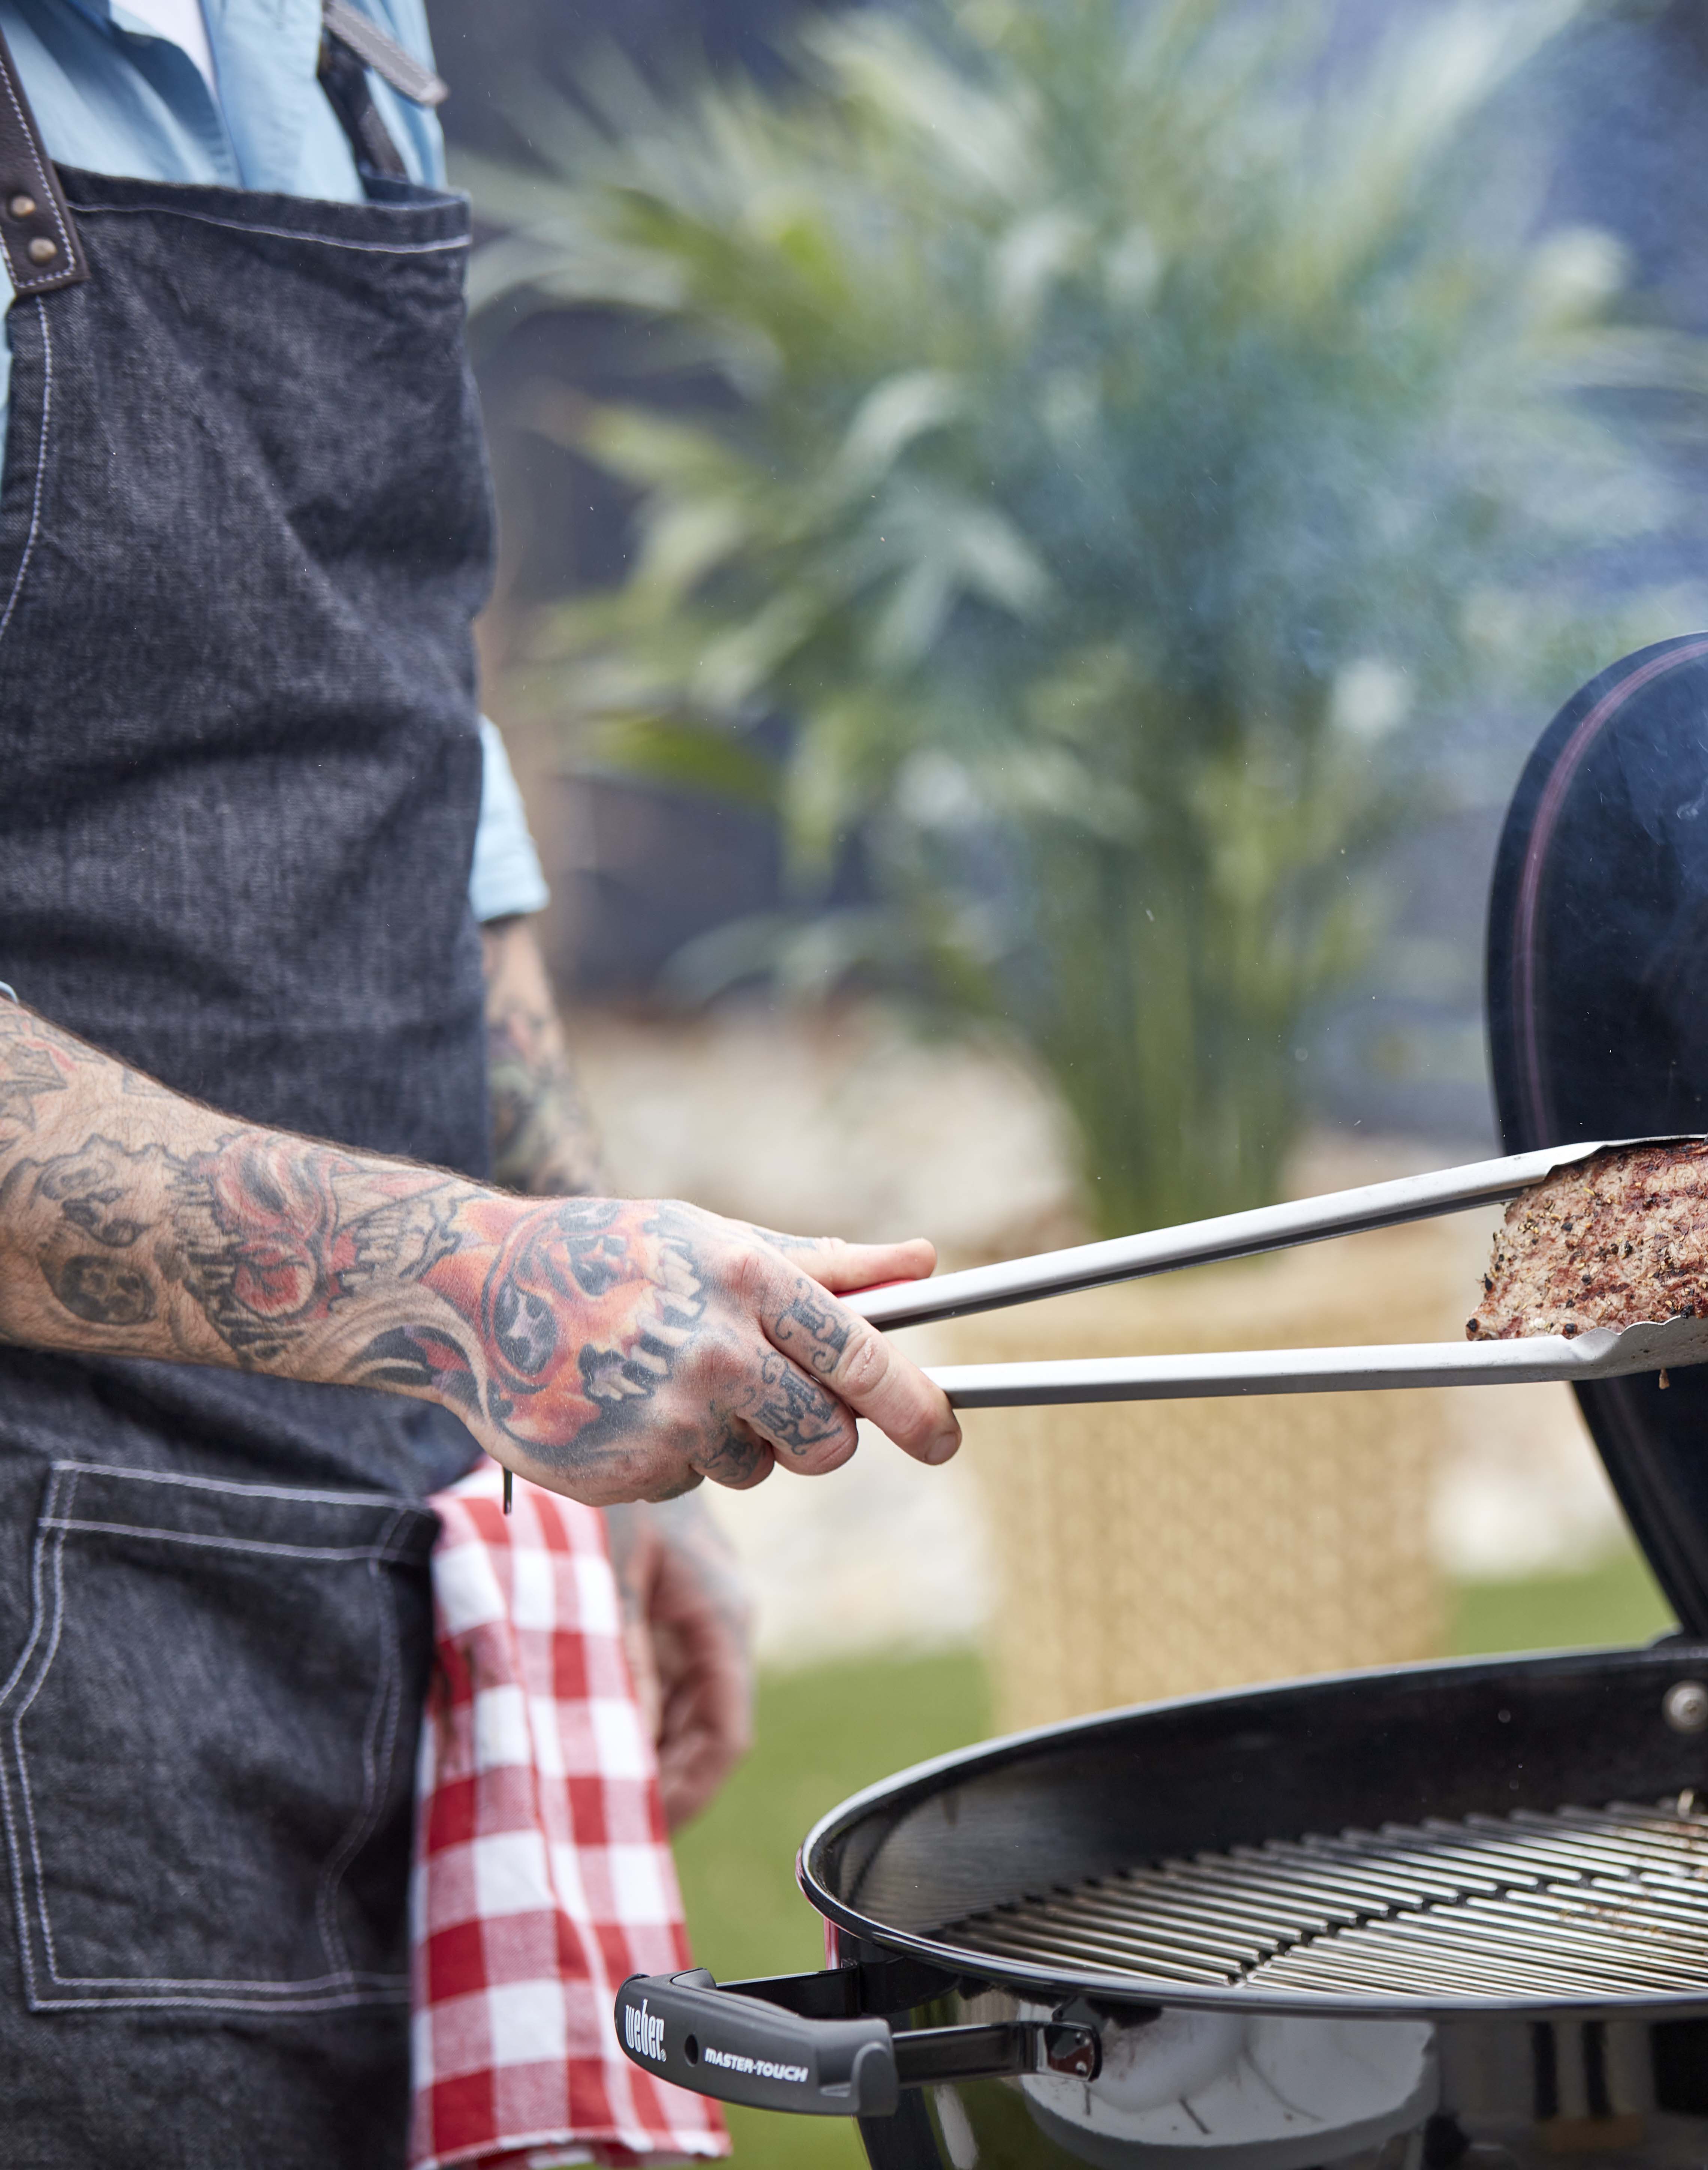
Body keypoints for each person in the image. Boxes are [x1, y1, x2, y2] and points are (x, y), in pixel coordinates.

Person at [0, 0, 961, 2157]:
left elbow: (402, 747)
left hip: (385, 1552)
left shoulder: (335, 30)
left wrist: (571, 1338)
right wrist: (491, 1291)